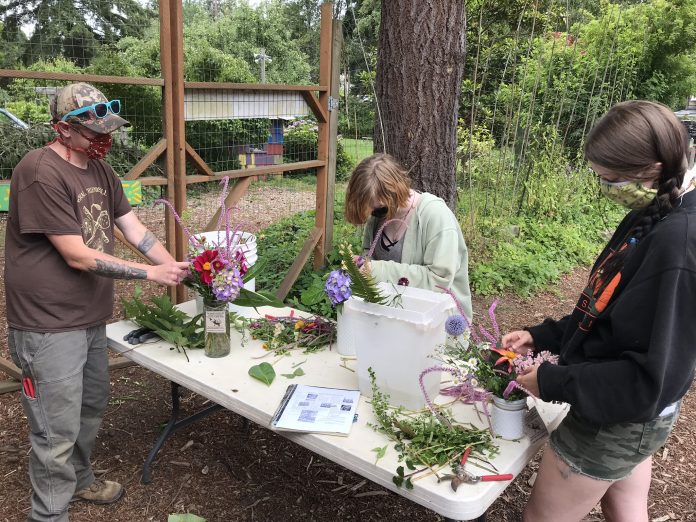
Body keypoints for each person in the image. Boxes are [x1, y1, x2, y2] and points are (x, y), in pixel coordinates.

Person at [502, 100, 695, 522]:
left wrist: (552, 380)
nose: (606, 187)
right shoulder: (657, 208)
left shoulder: (675, 245)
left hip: (618, 418)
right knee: (622, 504)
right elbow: (610, 311)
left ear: (652, 167)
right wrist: (543, 334)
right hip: (635, 416)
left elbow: (646, 379)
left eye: (611, 178)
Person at [4, 82, 190, 522]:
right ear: (62, 129)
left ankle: (81, 478)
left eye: (107, 130)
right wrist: (150, 274)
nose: (102, 139)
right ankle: (49, 515)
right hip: (47, 324)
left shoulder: (99, 171)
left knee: (90, 403)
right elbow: (77, 254)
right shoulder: (38, 170)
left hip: (88, 316)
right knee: (56, 429)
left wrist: (176, 267)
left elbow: (135, 230)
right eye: (92, 132)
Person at [344, 153, 472, 319]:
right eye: (372, 211)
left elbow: (439, 281)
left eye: (379, 208)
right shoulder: (377, 216)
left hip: (438, 323)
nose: (375, 214)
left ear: (396, 192)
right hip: (396, 315)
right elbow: (369, 261)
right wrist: (360, 267)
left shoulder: (435, 215)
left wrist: (375, 269)